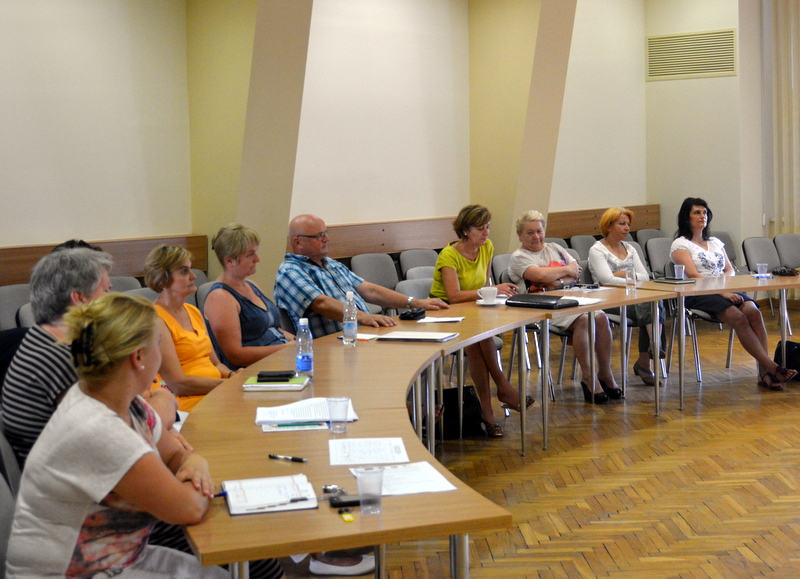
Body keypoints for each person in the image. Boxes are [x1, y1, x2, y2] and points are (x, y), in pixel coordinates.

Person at [5, 293, 231, 579]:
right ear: (138, 357)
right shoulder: (98, 429)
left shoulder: (126, 402)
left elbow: (175, 454)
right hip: (71, 573)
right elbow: (189, 508)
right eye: (158, 344)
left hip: (118, 557)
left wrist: (194, 461)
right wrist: (198, 467)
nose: (162, 355)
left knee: (236, 567)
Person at [670, 197, 796, 390]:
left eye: (704, 212)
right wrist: (723, 292)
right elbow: (693, 275)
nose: (702, 216)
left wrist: (726, 287)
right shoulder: (680, 244)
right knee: (739, 317)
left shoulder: (714, 242)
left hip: (726, 288)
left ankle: (765, 373)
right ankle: (771, 368)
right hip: (699, 292)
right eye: (697, 213)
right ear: (686, 218)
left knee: (754, 312)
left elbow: (730, 270)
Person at [430, 204, 532, 438]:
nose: (486, 233)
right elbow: (454, 295)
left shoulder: (487, 247)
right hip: (441, 312)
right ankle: (502, 388)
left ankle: (489, 411)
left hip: (470, 311)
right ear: (465, 230)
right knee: (478, 338)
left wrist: (492, 292)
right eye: (480, 228)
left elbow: (483, 285)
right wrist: (492, 290)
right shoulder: (449, 255)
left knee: (478, 339)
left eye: (487, 227)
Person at [508, 210, 621, 404]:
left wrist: (557, 280)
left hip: (570, 298)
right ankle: (588, 377)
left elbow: (576, 271)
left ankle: (605, 373)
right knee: (584, 319)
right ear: (520, 235)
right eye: (530, 233)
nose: (536, 236)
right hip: (540, 307)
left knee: (602, 318)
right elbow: (539, 276)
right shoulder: (519, 257)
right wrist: (564, 272)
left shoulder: (556, 248)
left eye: (539, 231)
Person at [274, 214, 449, 339]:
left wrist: (416, 302)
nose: (326, 239)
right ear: (298, 242)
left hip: (363, 336)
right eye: (319, 236)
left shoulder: (331, 264)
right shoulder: (290, 271)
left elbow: (370, 291)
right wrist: (365, 317)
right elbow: (321, 303)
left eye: (326, 233)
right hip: (333, 348)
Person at [144, 245, 236, 412]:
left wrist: (233, 375)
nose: (193, 276)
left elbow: (215, 363)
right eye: (184, 271)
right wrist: (229, 385)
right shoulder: (155, 320)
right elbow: (178, 384)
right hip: (186, 403)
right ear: (163, 278)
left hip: (215, 393)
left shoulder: (193, 311)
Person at [588, 206, 664, 386]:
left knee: (653, 302)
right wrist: (630, 276)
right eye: (622, 224)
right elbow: (607, 280)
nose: (627, 228)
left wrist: (622, 275)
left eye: (628, 224)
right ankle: (653, 348)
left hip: (633, 297)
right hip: (608, 299)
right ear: (608, 226)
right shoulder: (597, 250)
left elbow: (645, 277)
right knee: (650, 306)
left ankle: (651, 350)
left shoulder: (630, 248)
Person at [203, 224, 294, 370]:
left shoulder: (252, 285)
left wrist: (299, 341)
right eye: (250, 255)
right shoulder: (220, 297)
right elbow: (236, 355)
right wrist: (286, 348)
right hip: (254, 372)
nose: (257, 259)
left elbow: (272, 328)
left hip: (278, 360)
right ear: (230, 261)